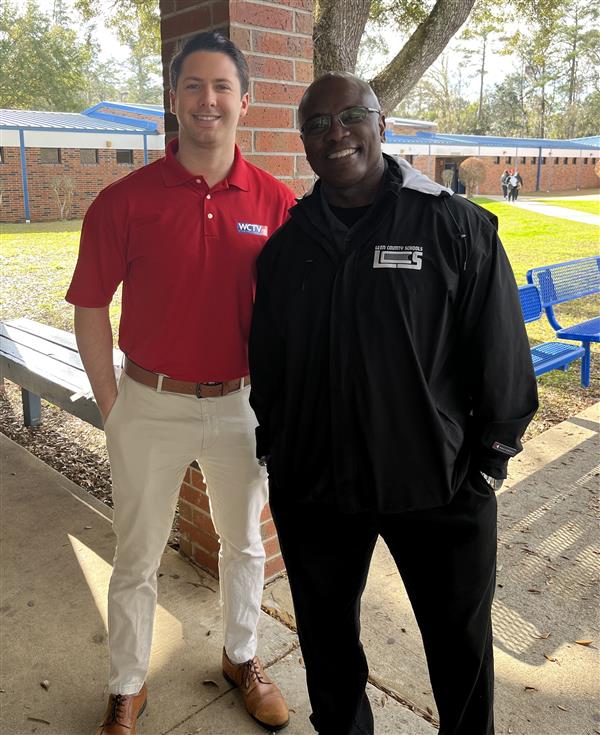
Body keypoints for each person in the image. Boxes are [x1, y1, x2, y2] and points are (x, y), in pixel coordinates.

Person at [249, 72, 538, 735]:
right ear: (304, 142)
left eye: (351, 116)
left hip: (437, 483)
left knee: (460, 648)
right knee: (326, 642)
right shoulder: (287, 249)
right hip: (316, 488)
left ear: (382, 125)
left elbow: (500, 352)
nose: (336, 133)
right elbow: (269, 362)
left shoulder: (453, 226)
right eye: (316, 124)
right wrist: (278, 447)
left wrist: (490, 457)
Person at [66, 32, 295, 735]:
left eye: (222, 86)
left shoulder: (277, 202)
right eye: (193, 85)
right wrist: (114, 406)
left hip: (239, 405)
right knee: (137, 555)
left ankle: (242, 656)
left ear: (245, 102)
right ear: (173, 99)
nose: (208, 100)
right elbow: (89, 306)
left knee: (245, 544)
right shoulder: (125, 201)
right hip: (148, 401)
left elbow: (300, 314)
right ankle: (126, 686)